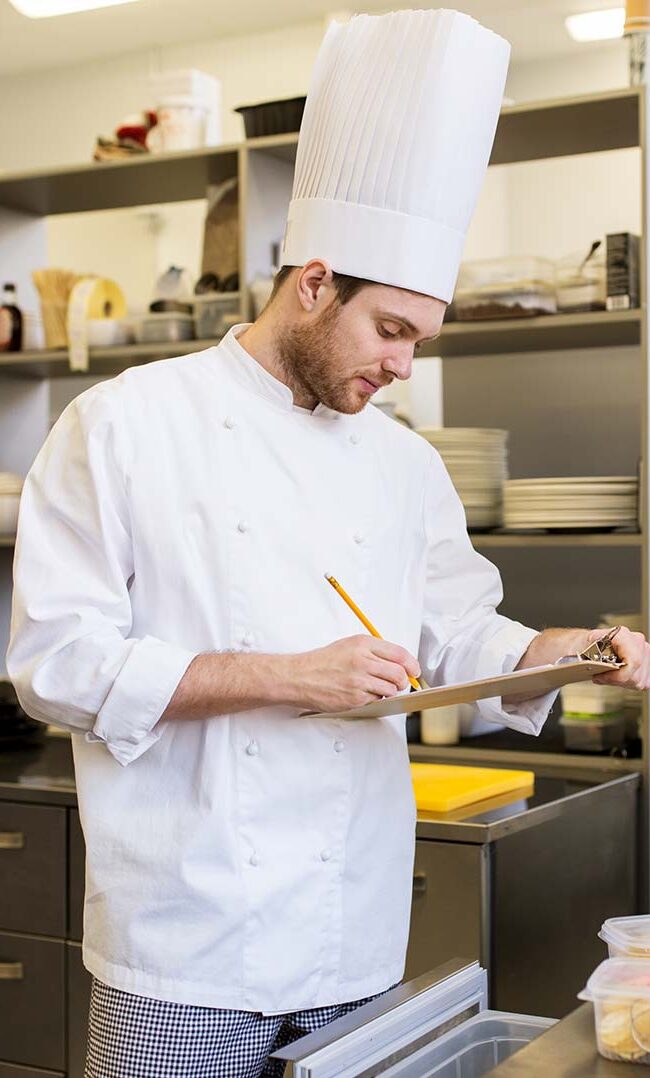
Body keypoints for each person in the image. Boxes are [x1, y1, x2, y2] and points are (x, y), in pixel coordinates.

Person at [7, 9, 650, 1078]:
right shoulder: (124, 424)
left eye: (420, 339)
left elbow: (457, 639)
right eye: (388, 330)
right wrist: (284, 675)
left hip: (352, 934)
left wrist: (570, 650)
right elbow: (55, 667)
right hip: (184, 944)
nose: (403, 367)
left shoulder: (400, 464)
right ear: (313, 283)